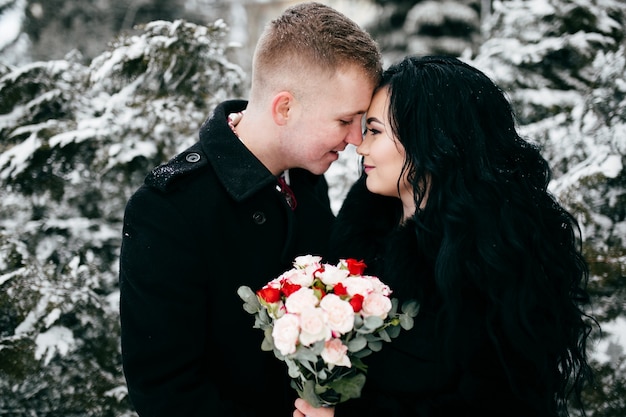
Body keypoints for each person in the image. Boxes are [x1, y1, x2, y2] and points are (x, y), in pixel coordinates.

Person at [118, 2, 382, 416]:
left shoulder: (307, 178)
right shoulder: (169, 209)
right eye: (344, 120)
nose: (354, 138)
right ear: (285, 108)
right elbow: (166, 391)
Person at [294, 55, 595, 417]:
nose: (360, 146)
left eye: (374, 130)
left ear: (428, 139)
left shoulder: (488, 266)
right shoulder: (359, 233)